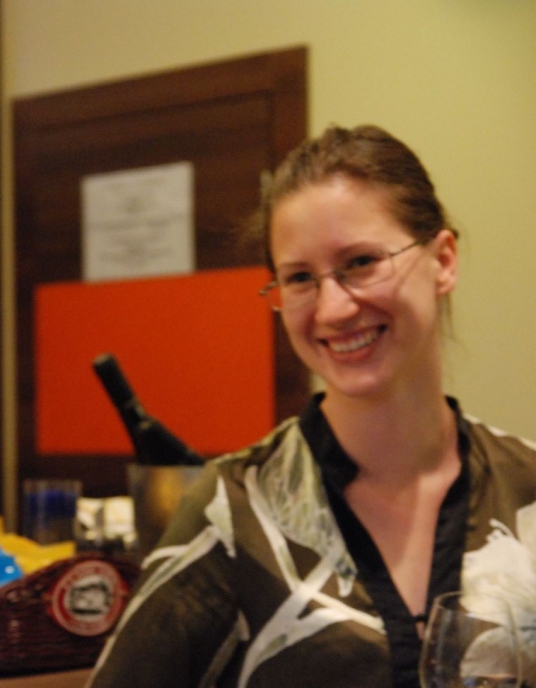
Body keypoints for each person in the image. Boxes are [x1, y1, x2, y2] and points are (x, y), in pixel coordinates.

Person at [87, 125, 536, 688]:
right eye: (299, 278)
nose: (332, 309)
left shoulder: (526, 487)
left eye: (361, 262)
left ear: (443, 260)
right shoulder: (234, 514)